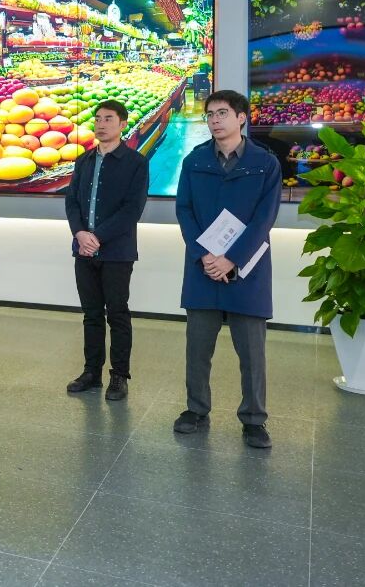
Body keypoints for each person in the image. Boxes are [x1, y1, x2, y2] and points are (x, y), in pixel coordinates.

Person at [174, 90, 281, 450]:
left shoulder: (265, 163)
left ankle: (254, 419)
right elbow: (185, 210)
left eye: (222, 113)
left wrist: (231, 258)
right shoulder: (194, 160)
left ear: (241, 118)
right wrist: (203, 254)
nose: (215, 120)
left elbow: (264, 218)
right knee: (197, 347)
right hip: (203, 267)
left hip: (247, 268)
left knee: (251, 352)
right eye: (210, 114)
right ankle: (196, 409)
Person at [63, 100, 149, 401]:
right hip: (83, 250)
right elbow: (72, 201)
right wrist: (80, 233)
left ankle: (119, 376)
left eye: (108, 119)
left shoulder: (136, 162)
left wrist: (96, 237)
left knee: (118, 314)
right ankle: (91, 372)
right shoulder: (84, 160)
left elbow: (132, 209)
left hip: (117, 252)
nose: (101, 124)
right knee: (91, 314)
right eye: (98, 119)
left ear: (122, 124)